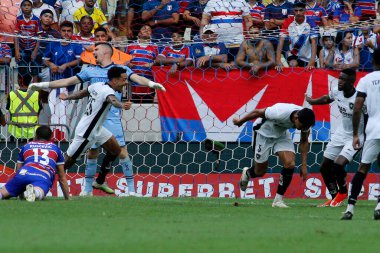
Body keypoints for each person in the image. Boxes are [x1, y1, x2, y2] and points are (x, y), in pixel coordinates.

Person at [28, 42, 166, 196]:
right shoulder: (90, 71)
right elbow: (69, 83)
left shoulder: (120, 71)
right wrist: (42, 85)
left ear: (107, 52)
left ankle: (126, 189)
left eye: (96, 49)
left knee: (119, 152)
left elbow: (138, 78)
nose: (93, 52)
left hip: (110, 119)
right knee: (85, 156)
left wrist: (152, 84)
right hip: (91, 123)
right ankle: (82, 189)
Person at [58, 66, 134, 194]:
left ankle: (99, 182)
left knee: (115, 150)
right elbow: (113, 101)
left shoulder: (98, 85)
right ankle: (40, 178)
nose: (126, 82)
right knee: (66, 163)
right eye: (124, 79)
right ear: (114, 80)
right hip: (86, 132)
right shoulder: (108, 92)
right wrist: (122, 105)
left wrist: (68, 97)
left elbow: (83, 93)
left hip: (98, 129)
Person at [233, 103, 315, 208]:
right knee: (260, 172)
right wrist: (240, 122)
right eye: (302, 126)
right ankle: (248, 172)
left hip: (281, 134)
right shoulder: (279, 112)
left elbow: (304, 141)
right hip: (263, 133)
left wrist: (304, 165)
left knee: (290, 164)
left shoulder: (305, 119)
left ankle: (278, 200)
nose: (302, 129)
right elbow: (257, 112)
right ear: (296, 118)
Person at [305, 68, 365, 207]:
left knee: (338, 164)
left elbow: (369, 116)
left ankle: (343, 193)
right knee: (324, 167)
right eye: (339, 78)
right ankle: (335, 198)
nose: (339, 81)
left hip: (356, 136)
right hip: (341, 133)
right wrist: (312, 101)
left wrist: (365, 135)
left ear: (351, 82)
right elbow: (328, 98)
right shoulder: (337, 91)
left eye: (343, 79)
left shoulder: (360, 98)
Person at [341, 48, 380, 220]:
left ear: (372, 61)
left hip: (372, 129)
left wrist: (356, 134)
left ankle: (350, 208)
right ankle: (379, 206)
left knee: (363, 168)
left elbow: (357, 108)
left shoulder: (366, 80)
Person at [0, 126, 70, 201]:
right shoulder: (55, 148)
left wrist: (19, 191)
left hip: (24, 172)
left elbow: (18, 170)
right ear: (50, 137)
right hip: (42, 174)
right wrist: (67, 198)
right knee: (39, 191)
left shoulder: (26, 146)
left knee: (3, 193)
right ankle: (35, 192)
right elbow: (62, 177)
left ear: (36, 136)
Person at [275, 1, 318, 71]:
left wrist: (312, 61)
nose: (298, 13)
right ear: (293, 11)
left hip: (308, 57)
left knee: (308, 73)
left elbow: (314, 42)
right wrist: (278, 61)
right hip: (294, 55)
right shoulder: (287, 22)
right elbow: (281, 41)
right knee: (293, 64)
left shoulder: (311, 23)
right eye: (296, 10)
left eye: (301, 10)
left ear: (305, 11)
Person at [7, 76, 42, 142]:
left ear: (20, 81)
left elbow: (8, 109)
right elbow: (38, 111)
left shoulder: (12, 94)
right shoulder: (36, 94)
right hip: (32, 131)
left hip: (15, 130)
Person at [15, 0, 41, 83]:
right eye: (24, 5)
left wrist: (35, 51)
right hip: (22, 48)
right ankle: (21, 87)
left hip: (33, 47)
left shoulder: (36, 19)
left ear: (32, 7)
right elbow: (16, 36)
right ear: (21, 7)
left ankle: (36, 90)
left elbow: (39, 37)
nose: (26, 7)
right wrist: (17, 51)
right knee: (22, 68)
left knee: (35, 68)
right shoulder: (18, 19)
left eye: (28, 5)